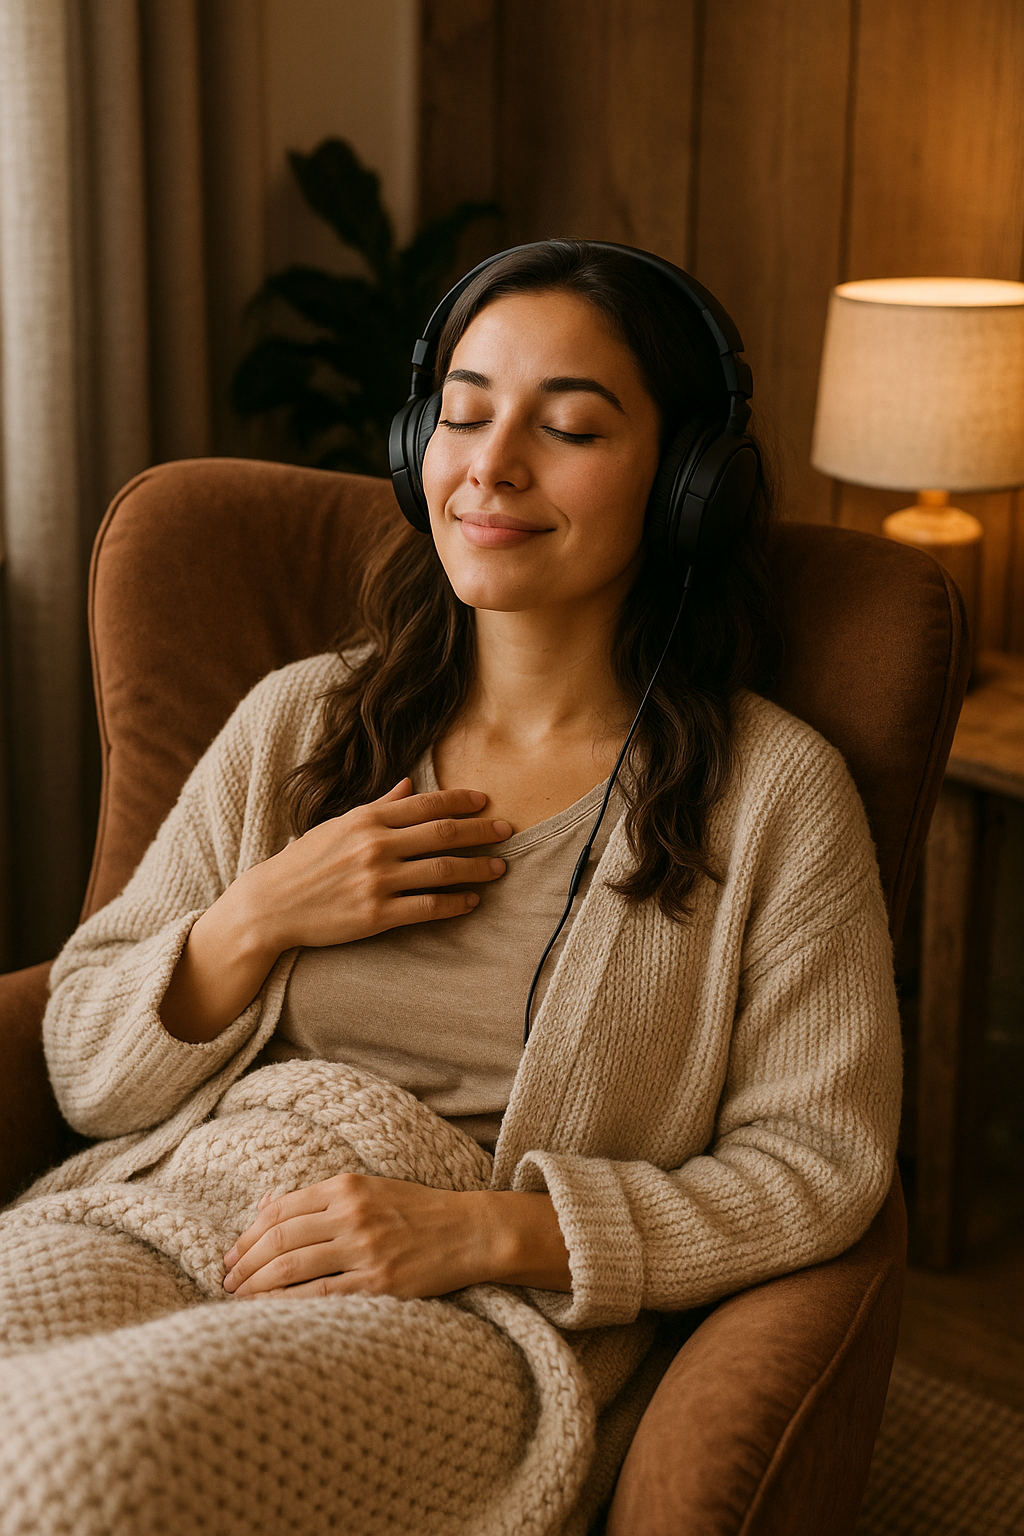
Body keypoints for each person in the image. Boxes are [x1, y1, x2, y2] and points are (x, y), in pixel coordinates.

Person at [0, 241, 901, 1536]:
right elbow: (87, 1068)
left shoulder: (772, 799)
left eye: (571, 426)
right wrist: (258, 916)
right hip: (178, 1200)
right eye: (465, 413)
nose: (492, 465)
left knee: (76, 1469)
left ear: (686, 481)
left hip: (465, 1309)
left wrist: (492, 1234)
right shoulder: (300, 722)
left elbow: (821, 1165)